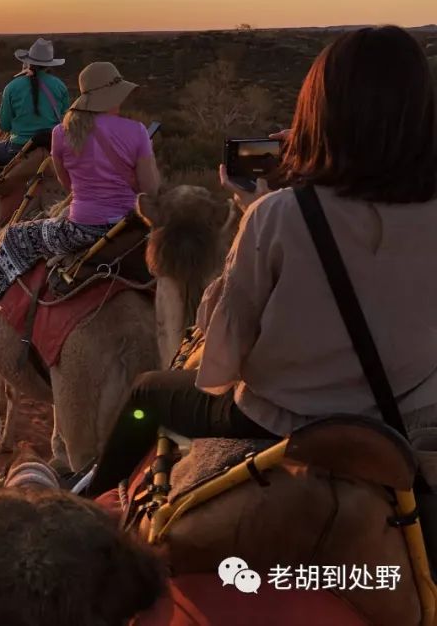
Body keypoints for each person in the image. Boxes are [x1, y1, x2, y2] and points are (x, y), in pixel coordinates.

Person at [84, 25, 437, 497]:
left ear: (319, 114)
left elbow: (222, 347)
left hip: (282, 419)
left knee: (147, 391)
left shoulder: (280, 215)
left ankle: (95, 497)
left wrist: (256, 210)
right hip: (405, 416)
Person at [0, 61, 161, 330]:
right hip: (131, 228)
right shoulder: (136, 132)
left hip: (80, 231)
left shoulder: (61, 133)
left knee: (13, 237)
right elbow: (151, 190)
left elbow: (68, 185)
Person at [0, 38, 70, 166]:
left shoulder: (11, 87)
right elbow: (66, 119)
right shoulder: (60, 86)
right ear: (49, 64)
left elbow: (5, 126)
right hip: (52, 145)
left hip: (18, 147)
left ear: (28, 62)